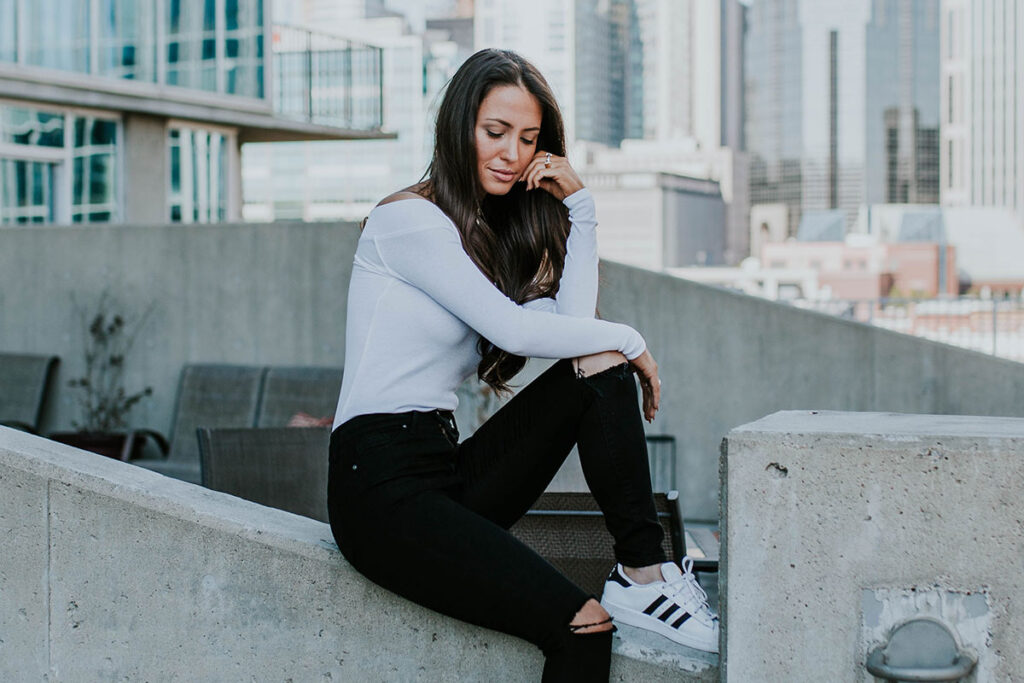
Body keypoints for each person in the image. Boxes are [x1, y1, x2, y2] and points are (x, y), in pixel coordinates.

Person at [327, 48, 718, 681]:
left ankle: (644, 573)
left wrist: (581, 210)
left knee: (598, 360)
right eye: (495, 132)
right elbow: (515, 331)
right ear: (459, 128)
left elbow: (574, 335)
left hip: (446, 470)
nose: (512, 153)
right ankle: (643, 576)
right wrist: (633, 339)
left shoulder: (483, 242)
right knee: (582, 626)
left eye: (528, 139)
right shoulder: (406, 221)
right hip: (379, 485)